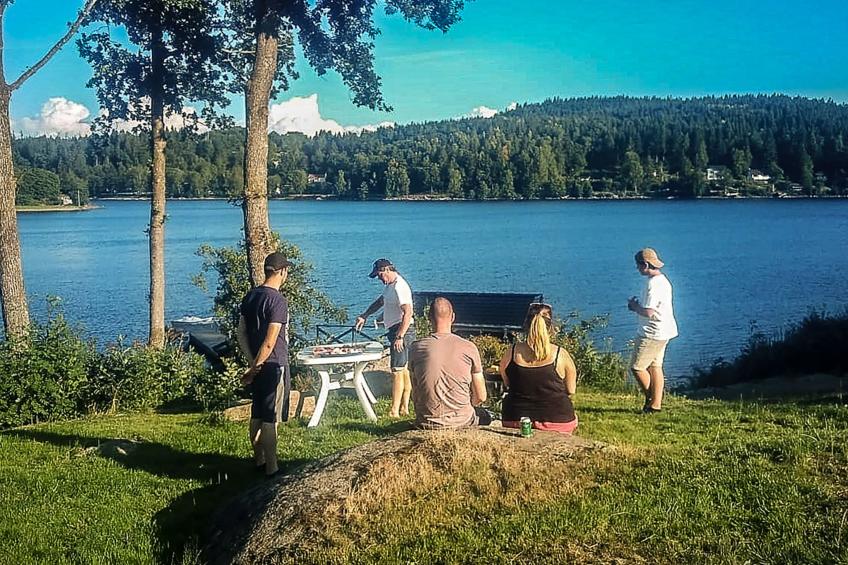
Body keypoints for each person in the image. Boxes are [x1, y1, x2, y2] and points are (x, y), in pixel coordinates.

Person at [236, 252, 292, 477]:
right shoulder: (278, 301)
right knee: (270, 418)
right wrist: (256, 365)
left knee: (257, 413)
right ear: (281, 272)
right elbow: (270, 341)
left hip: (257, 365)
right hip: (273, 364)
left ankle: (258, 460)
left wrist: (251, 362)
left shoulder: (250, 296)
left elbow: (241, 332)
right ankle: (272, 468)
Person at [408, 297, 491, 429]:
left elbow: (415, 393)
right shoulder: (468, 347)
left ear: (429, 318)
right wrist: (468, 405)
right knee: (486, 416)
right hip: (461, 421)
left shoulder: (416, 348)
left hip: (426, 422)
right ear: (453, 317)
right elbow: (481, 396)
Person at [498, 303, 578, 434]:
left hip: (515, 417)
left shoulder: (511, 352)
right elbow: (571, 389)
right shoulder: (560, 354)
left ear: (526, 325)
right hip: (557, 419)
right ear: (550, 326)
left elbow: (507, 383)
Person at [355, 258, 414, 418]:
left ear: (387, 270)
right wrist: (365, 315)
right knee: (403, 370)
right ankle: (404, 408)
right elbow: (381, 301)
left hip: (401, 331)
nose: (379, 279)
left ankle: (394, 410)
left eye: (380, 275)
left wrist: (400, 336)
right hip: (396, 330)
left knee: (396, 370)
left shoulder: (400, 287)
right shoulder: (390, 286)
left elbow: (408, 312)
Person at [627, 247, 678, 413]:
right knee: (655, 366)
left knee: (637, 367)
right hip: (665, 330)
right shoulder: (663, 280)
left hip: (652, 332)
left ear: (646, 264)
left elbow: (648, 312)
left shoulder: (653, 285)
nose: (637, 268)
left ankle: (651, 399)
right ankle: (655, 405)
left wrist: (634, 307)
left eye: (638, 265)